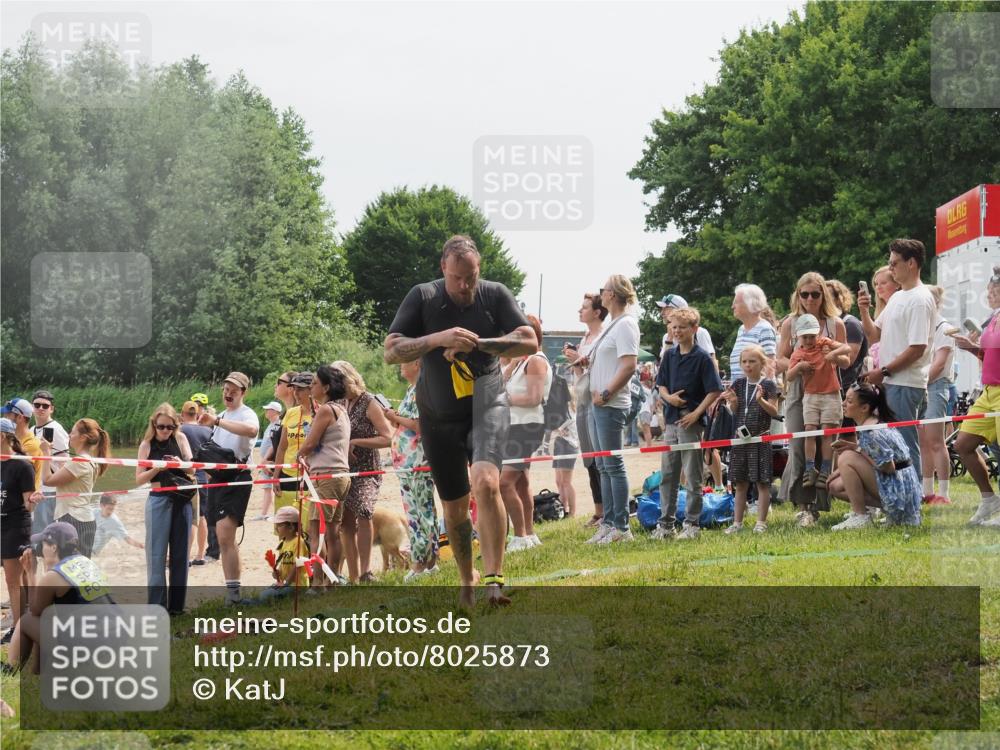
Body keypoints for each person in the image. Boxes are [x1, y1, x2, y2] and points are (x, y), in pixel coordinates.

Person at [384, 234, 537, 606]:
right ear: (443, 269)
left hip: (487, 403)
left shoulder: (494, 294)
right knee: (453, 508)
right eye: (458, 278)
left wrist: (480, 343)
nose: (466, 286)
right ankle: (466, 578)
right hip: (437, 414)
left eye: (471, 276)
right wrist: (439, 338)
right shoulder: (423, 296)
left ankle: (494, 580)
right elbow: (391, 350)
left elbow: (529, 341)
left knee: (486, 483)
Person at [858, 239, 936, 481]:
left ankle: (912, 504)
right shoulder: (897, 298)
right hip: (893, 381)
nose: (890, 268)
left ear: (911, 263)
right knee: (893, 443)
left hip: (906, 383)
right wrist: (863, 309)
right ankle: (901, 501)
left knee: (905, 444)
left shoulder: (920, 299)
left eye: (894, 264)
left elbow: (917, 348)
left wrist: (884, 371)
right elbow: (874, 336)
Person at [776, 272, 848, 527]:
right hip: (799, 390)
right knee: (799, 446)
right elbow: (780, 358)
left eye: (815, 294)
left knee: (826, 444)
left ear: (823, 295)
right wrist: (798, 364)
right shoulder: (790, 323)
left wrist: (832, 356)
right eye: (804, 294)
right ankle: (804, 507)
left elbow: (845, 357)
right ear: (798, 296)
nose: (809, 299)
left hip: (828, 389)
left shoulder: (834, 324)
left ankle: (819, 505)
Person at [1, 522, 113, 675]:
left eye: (43, 544)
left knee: (26, 620)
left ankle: (9, 670)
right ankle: (37, 673)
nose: (41, 549)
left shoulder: (54, 576)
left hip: (87, 649)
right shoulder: (86, 563)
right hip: (113, 641)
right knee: (48, 620)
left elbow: (35, 610)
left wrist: (31, 573)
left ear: (54, 547)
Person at [653, 306, 723, 541]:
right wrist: (667, 397)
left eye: (682, 327)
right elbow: (660, 384)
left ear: (694, 329)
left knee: (693, 475)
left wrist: (696, 414)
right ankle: (665, 525)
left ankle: (692, 524)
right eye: (673, 327)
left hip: (690, 421)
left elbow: (714, 390)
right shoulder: (669, 355)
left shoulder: (702, 357)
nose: (677, 331)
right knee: (668, 475)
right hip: (671, 421)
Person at [581, 275, 641, 544]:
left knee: (613, 465)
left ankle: (621, 526)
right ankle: (608, 522)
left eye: (603, 289)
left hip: (611, 404)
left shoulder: (626, 325)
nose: (600, 293)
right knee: (603, 466)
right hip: (599, 403)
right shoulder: (614, 325)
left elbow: (628, 365)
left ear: (612, 296)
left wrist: (606, 393)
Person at [827, 384, 922, 530]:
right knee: (835, 485)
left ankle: (861, 516)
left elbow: (889, 468)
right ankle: (877, 512)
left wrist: (857, 449)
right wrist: (852, 454)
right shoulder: (873, 423)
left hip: (900, 492)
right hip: (904, 488)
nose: (843, 403)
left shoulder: (872, 432)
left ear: (864, 408)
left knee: (846, 458)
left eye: (849, 401)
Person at [333, 360, 392, 583]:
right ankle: (354, 574)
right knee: (346, 522)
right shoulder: (337, 403)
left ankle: (367, 571)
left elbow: (387, 438)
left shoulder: (369, 402)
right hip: (343, 468)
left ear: (348, 379)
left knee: (364, 511)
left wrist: (356, 441)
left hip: (367, 469)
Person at [204, 372, 259, 606]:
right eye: (225, 389)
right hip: (216, 480)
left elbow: (251, 432)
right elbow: (216, 446)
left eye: (233, 389)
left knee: (227, 534)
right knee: (222, 537)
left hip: (237, 478)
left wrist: (216, 421)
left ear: (243, 392)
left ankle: (234, 595)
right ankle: (232, 591)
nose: (228, 393)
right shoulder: (224, 414)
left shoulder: (247, 414)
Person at [136, 403, 195, 614]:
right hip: (158, 498)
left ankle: (177, 607)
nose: (165, 431)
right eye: (161, 427)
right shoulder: (146, 444)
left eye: (170, 427)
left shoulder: (180, 439)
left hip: (181, 499)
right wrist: (156, 467)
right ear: (154, 424)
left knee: (180, 555)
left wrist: (178, 463)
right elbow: (138, 479)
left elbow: (192, 468)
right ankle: (157, 607)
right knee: (156, 556)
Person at [952, 267, 1000, 525]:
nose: (990, 293)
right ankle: (989, 499)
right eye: (989, 289)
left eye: (995, 289)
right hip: (988, 390)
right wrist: (972, 347)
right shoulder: (993, 319)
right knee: (962, 444)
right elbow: (988, 357)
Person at [500, 314, 552, 552]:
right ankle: (529, 533)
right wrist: (511, 362)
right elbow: (501, 380)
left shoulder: (537, 361)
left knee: (505, 483)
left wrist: (504, 400)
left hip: (526, 428)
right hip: (516, 427)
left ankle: (520, 535)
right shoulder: (523, 361)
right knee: (521, 484)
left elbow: (534, 397)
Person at [384, 359, 439, 581]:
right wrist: (395, 419)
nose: (400, 366)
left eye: (404, 362)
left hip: (417, 461)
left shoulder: (422, 390)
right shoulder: (411, 390)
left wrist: (394, 417)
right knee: (415, 511)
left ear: (417, 363)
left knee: (420, 513)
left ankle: (423, 562)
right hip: (406, 462)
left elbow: (419, 425)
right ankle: (426, 561)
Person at [298, 365, 351, 585]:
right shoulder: (342, 410)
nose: (311, 387)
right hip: (340, 475)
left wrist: (299, 455)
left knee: (316, 531)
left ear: (326, 387)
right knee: (332, 531)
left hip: (326, 476)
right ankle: (332, 579)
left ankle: (319, 582)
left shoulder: (326, 410)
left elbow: (310, 442)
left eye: (315, 383)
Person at [786, 314, 852, 490]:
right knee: (809, 431)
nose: (809, 340)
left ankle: (825, 469)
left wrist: (833, 354)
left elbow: (846, 349)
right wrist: (799, 367)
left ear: (818, 334)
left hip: (830, 394)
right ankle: (810, 468)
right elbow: (789, 376)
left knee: (827, 432)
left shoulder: (824, 343)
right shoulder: (798, 353)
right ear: (799, 336)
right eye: (805, 337)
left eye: (812, 336)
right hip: (810, 396)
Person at [31, 418, 111, 557]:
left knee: (70, 567)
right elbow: (61, 480)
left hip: (73, 519)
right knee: (78, 567)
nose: (69, 435)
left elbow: (48, 480)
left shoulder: (79, 462)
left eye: (72, 432)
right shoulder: (89, 460)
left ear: (83, 438)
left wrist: (46, 454)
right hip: (82, 518)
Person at [721, 345, 780, 534]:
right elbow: (736, 412)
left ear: (762, 363)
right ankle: (737, 523)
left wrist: (761, 400)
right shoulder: (738, 384)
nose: (747, 365)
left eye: (752, 361)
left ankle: (761, 522)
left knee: (763, 483)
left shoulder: (768, 384)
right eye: (744, 361)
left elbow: (774, 412)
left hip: (760, 439)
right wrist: (733, 403)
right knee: (740, 483)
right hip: (740, 439)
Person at [562, 293, 607, 527]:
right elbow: (581, 374)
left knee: (603, 459)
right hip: (583, 400)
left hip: (599, 401)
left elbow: (601, 368)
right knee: (589, 458)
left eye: (585, 307)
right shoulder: (586, 337)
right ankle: (598, 511)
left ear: (597, 312)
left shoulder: (603, 336)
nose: (580, 311)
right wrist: (575, 360)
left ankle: (608, 511)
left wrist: (580, 358)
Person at [917, 286, 956, 505]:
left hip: (935, 387)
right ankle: (927, 491)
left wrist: (920, 383)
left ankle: (944, 493)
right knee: (923, 442)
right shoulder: (925, 327)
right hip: (923, 386)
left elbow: (939, 364)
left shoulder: (943, 328)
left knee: (936, 442)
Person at [1, 418, 36, 644]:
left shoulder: (22, 464)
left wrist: (35, 499)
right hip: (1, 524)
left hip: (16, 525)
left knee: (14, 580)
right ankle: (26, 622)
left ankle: (18, 629)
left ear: (2, 436)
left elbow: (28, 505)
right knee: (17, 579)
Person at [272, 373, 315, 516]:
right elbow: (282, 447)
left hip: (311, 475)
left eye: (301, 389)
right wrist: (276, 475)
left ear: (312, 389)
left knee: (308, 523)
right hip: (287, 473)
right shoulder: (291, 413)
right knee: (285, 522)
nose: (296, 393)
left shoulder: (321, 412)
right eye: (294, 389)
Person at [28, 389, 68, 536]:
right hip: (35, 487)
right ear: (32, 407)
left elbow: (64, 462)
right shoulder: (32, 429)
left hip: (49, 490)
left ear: (51, 409)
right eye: (37, 405)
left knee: (44, 533)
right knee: (33, 532)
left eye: (45, 406)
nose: (40, 409)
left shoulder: (56, 429)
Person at [179, 400, 212, 566]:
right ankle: (200, 555)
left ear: (183, 414)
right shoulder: (207, 431)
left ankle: (185, 556)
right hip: (203, 478)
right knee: (202, 517)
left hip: (187, 478)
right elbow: (211, 456)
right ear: (197, 414)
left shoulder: (180, 430)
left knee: (191, 518)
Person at [825, 280, 870, 395]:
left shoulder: (850, 324)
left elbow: (848, 361)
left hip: (847, 390)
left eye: (827, 296)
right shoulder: (826, 324)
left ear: (839, 299)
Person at [259, 505, 310, 601]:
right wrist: (277, 573)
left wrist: (286, 583)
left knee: (266, 596)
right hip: (287, 583)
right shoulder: (283, 543)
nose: (276, 528)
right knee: (264, 594)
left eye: (279, 525)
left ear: (290, 527)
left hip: (297, 585)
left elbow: (297, 565)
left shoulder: (299, 542)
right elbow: (284, 565)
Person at [729, 284, 778, 381]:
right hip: (740, 392)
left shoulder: (764, 329)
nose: (732, 306)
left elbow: (769, 366)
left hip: (757, 392)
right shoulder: (741, 330)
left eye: (736, 303)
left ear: (750, 304)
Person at [656, 293, 717, 369]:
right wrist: (669, 339)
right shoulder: (666, 337)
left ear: (678, 311)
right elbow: (663, 370)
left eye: (666, 309)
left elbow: (711, 363)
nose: (662, 313)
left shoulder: (699, 332)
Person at [252, 400, 283, 522]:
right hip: (267, 460)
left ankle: (266, 513)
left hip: (270, 461)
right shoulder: (272, 425)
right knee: (267, 487)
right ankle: (264, 513)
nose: (266, 411)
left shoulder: (277, 426)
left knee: (270, 487)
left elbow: (273, 445)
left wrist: (265, 460)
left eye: (268, 409)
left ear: (275, 412)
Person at [551, 386, 579, 517]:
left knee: (566, 482)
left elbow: (563, 423)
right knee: (559, 481)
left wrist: (558, 427)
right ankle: (563, 510)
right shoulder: (562, 408)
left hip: (568, 445)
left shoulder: (570, 409)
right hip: (559, 443)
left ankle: (572, 512)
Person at [867, 265, 902, 369]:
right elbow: (873, 337)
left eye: (883, 283)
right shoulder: (882, 310)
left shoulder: (899, 304)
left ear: (897, 284)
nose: (878, 287)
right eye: (876, 284)